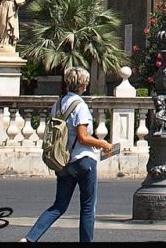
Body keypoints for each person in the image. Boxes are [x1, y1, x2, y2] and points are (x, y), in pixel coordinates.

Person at [18, 66, 120, 243]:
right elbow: (82, 137)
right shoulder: (80, 106)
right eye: (85, 84)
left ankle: (29, 239)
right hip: (83, 162)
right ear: (82, 85)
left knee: (59, 205)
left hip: (63, 161)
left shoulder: (57, 105)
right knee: (88, 207)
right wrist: (102, 143)